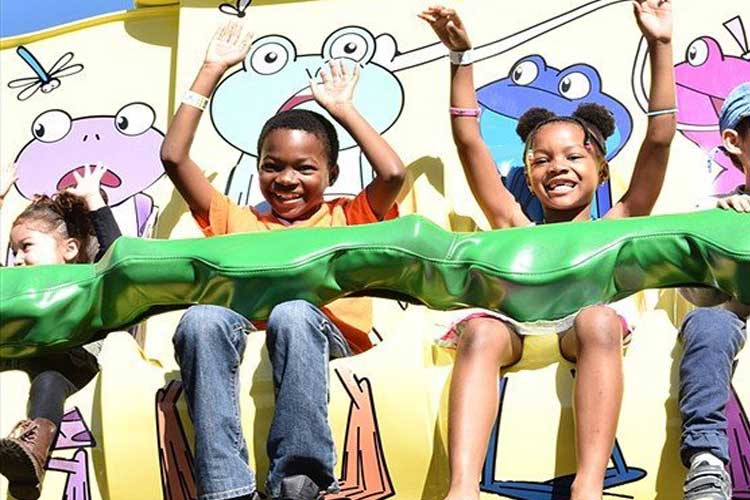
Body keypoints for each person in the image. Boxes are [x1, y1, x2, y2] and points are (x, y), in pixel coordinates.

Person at [419, 2, 675, 499]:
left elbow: (660, 141)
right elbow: (469, 141)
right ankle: (462, 488)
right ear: (529, 176)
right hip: (517, 329)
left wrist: (661, 45)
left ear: (601, 169)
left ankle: (589, 484)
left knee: (598, 319)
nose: (557, 166)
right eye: (541, 159)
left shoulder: (617, 224)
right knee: (481, 329)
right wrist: (460, 58)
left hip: (580, 331)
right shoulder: (512, 222)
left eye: (574, 155)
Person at [159, 20, 405, 500]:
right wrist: (210, 71)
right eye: (273, 166)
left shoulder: (348, 214)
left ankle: (300, 477)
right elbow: (173, 157)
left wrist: (341, 108)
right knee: (201, 319)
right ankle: (225, 487)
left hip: (326, 338)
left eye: (305, 167)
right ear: (257, 168)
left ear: (331, 172)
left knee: (293, 312)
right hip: (250, 337)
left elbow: (392, 172)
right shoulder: (235, 217)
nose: (287, 178)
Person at [0, 164, 122, 500]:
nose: (18, 259)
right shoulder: (14, 288)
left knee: (49, 376)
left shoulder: (85, 281)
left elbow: (121, 262)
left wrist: (94, 200)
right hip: (16, 363)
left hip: (67, 365)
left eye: (26, 247)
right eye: (13, 251)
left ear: (68, 249)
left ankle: (30, 455)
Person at [678, 82, 750, 500]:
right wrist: (720, 237)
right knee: (707, 324)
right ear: (734, 141)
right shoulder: (714, 212)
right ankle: (707, 460)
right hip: (733, 316)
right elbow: (699, 298)